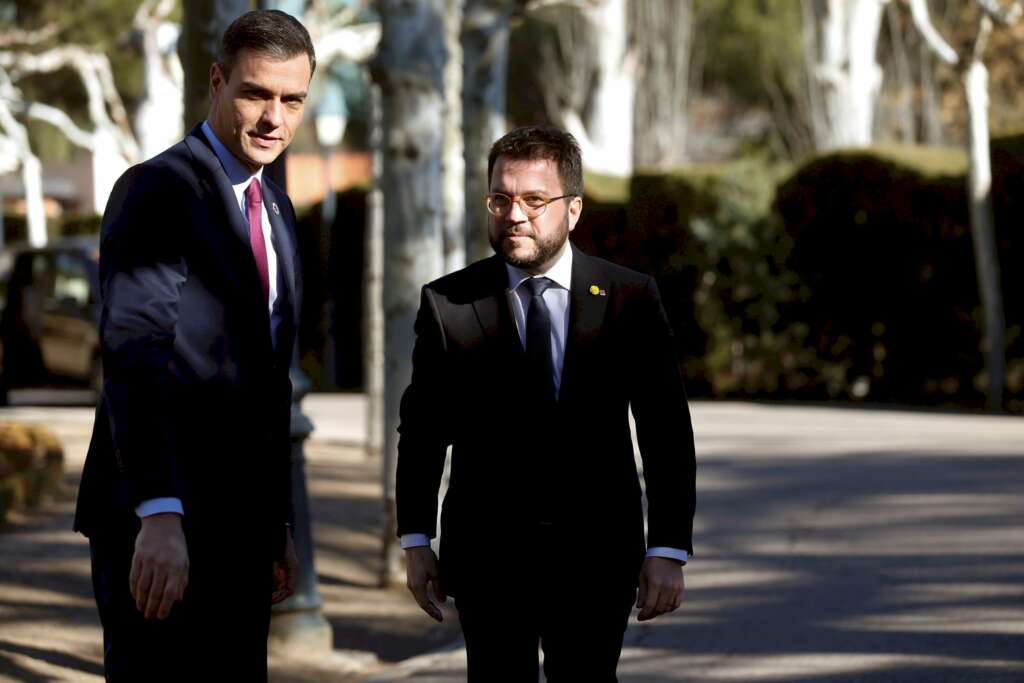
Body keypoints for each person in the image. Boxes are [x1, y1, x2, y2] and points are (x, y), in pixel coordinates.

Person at [396, 125, 697, 681]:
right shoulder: (448, 304)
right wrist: (416, 540)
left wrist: (669, 548)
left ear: (573, 209)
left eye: (534, 200)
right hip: (488, 559)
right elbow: (421, 430)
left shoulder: (630, 298)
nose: (515, 214)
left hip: (597, 556)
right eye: (500, 198)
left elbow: (665, 430)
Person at [73, 10, 313, 681]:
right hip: (159, 522)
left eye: (291, 100)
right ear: (216, 81)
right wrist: (159, 511)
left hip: (240, 530)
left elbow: (270, 385)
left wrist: (277, 524)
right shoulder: (157, 189)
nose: (274, 118)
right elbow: (135, 354)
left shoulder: (278, 208)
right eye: (255, 94)